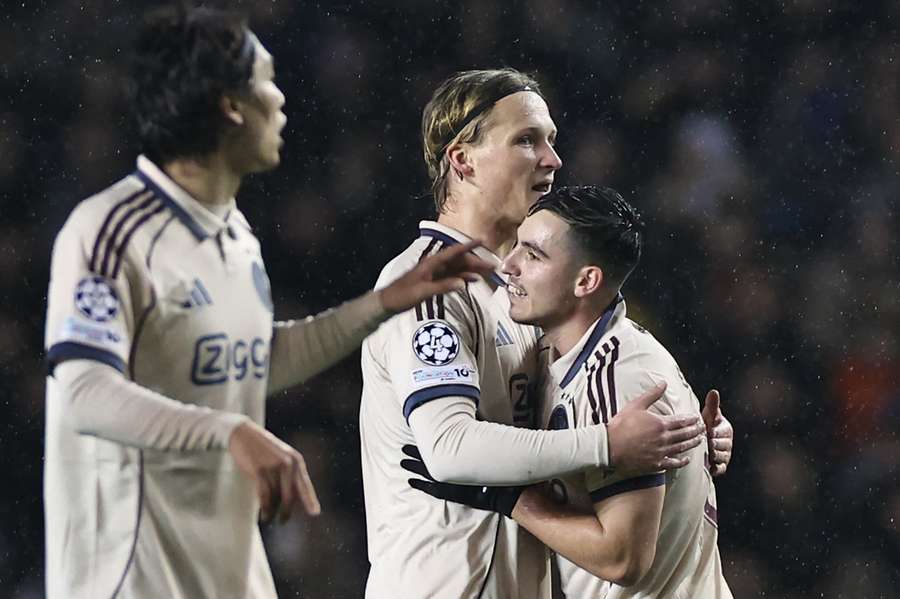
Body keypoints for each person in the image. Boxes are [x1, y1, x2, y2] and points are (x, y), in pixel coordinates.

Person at [42, 7, 493, 599]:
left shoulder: (235, 235)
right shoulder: (109, 230)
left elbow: (253, 360)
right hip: (133, 573)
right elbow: (82, 390)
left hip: (227, 567)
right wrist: (230, 431)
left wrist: (382, 303)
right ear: (231, 106)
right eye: (266, 81)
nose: (280, 101)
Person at [359, 68, 733, 598]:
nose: (551, 160)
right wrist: (606, 444)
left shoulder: (530, 290)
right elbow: (448, 448)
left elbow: (598, 382)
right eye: (526, 140)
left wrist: (686, 435)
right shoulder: (429, 285)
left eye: (551, 141)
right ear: (462, 160)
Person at [408, 185, 733, 597]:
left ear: (586, 280)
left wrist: (511, 500)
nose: (509, 266)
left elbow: (623, 559)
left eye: (533, 254)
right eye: (516, 247)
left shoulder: (619, 379)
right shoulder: (563, 354)